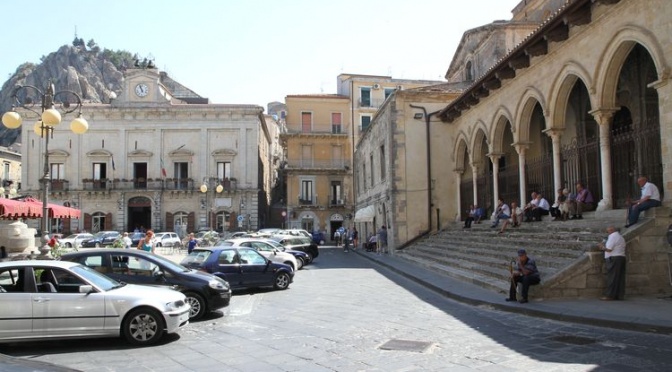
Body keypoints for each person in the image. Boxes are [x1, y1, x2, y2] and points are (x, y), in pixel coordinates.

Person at [597, 226, 626, 300]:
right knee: (619, 278)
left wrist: (601, 247)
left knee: (612, 278)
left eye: (608, 231)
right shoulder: (620, 237)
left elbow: (609, 249)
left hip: (614, 258)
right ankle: (619, 295)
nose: (607, 233)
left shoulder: (613, 236)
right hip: (621, 258)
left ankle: (610, 295)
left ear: (612, 230)